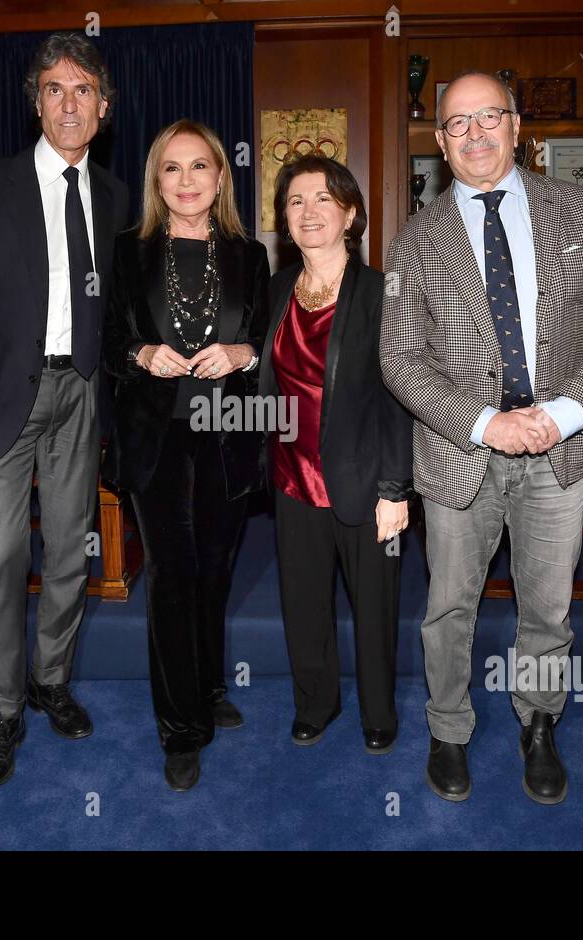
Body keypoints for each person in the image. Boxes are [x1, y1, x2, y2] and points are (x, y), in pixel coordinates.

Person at [380, 70, 583, 805]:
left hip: (561, 450)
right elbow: (398, 359)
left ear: (518, 127)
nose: (475, 135)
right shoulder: (416, 240)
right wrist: (487, 423)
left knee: (547, 607)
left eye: (488, 117)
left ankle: (540, 723)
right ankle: (448, 728)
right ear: (439, 143)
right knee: (448, 607)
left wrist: (562, 414)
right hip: (460, 454)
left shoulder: (578, 212)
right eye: (457, 124)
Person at [0, 32, 129, 788]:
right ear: (35, 103)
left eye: (83, 91)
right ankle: (3, 709)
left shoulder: (115, 198)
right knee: (3, 558)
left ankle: (50, 681)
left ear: (103, 109)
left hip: (81, 395)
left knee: (71, 557)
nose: (69, 103)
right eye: (54, 89)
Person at [102, 119, 270, 791]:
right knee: (173, 575)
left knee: (216, 572)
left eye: (199, 166)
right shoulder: (127, 254)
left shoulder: (249, 255)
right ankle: (180, 727)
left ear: (220, 177)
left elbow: (263, 337)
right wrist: (141, 352)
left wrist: (244, 351)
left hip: (229, 430)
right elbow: (109, 341)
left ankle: (205, 687)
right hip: (157, 437)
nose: (186, 180)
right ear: (156, 181)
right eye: (171, 169)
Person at [257, 154, 413, 754]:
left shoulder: (380, 292)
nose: (309, 212)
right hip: (292, 478)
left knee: (374, 607)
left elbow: (401, 396)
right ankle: (315, 703)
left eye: (323, 199)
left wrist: (396, 490)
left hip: (366, 478)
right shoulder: (275, 291)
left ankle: (379, 712)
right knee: (302, 603)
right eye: (296, 202)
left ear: (350, 213)